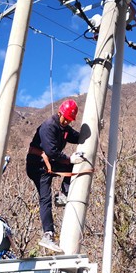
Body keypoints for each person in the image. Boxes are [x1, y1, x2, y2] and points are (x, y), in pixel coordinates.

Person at [25, 99, 84, 252]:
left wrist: (94, 130)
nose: (67, 122)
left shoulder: (64, 128)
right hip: (37, 166)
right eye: (66, 119)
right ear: (59, 113)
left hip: (48, 163)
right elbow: (51, 152)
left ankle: (63, 194)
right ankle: (48, 235)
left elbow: (77, 137)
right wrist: (69, 158)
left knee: (72, 165)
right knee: (45, 198)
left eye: (70, 120)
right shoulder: (49, 126)